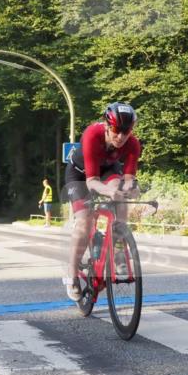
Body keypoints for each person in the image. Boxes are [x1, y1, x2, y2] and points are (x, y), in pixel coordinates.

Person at [64, 102, 141, 301]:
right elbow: (91, 182)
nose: (121, 137)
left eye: (127, 131)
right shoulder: (92, 134)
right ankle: (71, 275)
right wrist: (108, 191)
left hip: (107, 170)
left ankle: (117, 249)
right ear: (107, 126)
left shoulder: (133, 144)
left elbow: (128, 179)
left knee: (120, 193)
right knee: (84, 221)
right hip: (80, 175)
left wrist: (132, 189)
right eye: (116, 130)